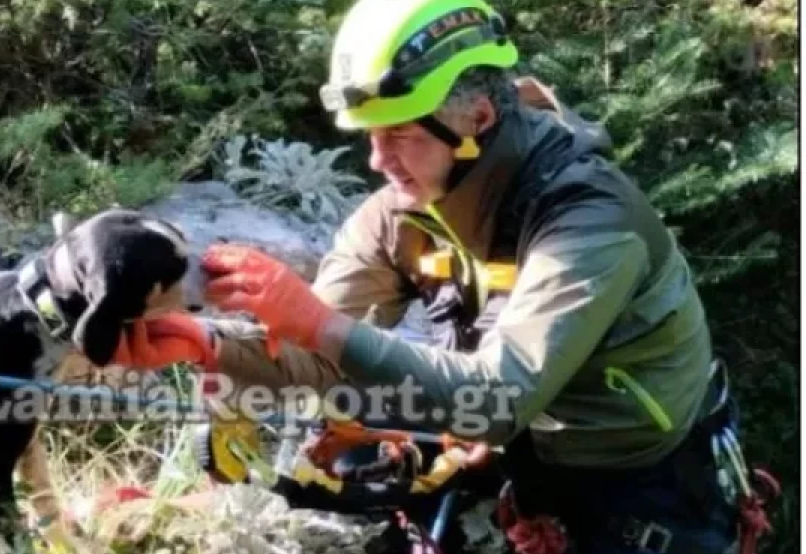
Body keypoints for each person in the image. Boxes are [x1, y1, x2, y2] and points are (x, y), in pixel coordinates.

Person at [109, 0, 773, 552]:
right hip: (520, 459)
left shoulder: (590, 222)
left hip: (645, 485)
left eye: (399, 136)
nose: (378, 161)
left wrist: (315, 321)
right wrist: (210, 344)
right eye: (370, 136)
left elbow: (498, 400)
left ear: (476, 122)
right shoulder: (402, 213)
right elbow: (316, 348)